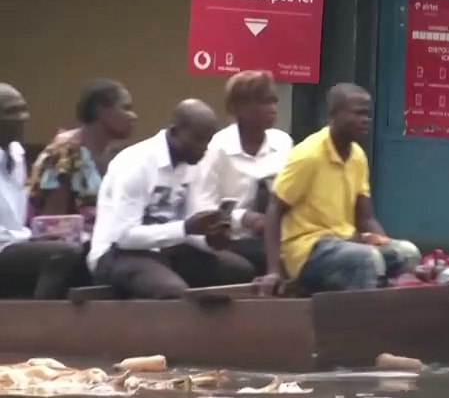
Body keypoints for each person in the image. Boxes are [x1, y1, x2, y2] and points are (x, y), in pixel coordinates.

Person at [255, 83, 421, 296]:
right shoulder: (309, 155)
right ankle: (364, 314)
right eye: (358, 114)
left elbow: (365, 218)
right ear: (334, 115)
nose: (365, 120)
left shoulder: (358, 156)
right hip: (307, 250)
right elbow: (274, 208)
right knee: (367, 258)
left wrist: (384, 243)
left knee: (407, 253)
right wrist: (273, 271)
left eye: (368, 115)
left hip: (346, 242)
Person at [89, 99, 257, 299]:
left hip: (167, 249)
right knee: (172, 291)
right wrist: (185, 228)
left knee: (240, 271)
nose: (204, 148)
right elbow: (124, 237)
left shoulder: (194, 163)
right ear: (175, 132)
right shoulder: (136, 164)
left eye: (208, 140)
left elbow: (193, 223)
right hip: (117, 254)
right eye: (198, 140)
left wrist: (210, 239)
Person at [193, 71, 293, 274]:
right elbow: (202, 207)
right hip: (236, 239)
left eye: (274, 101)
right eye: (265, 102)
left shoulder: (283, 143)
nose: (273, 109)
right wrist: (243, 218)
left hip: (279, 233)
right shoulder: (216, 149)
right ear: (240, 108)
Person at [0, 84, 84, 299]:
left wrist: (38, 234)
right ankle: (37, 315)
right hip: (5, 246)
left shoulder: (16, 153)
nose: (23, 117)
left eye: (23, 109)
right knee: (62, 254)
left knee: (84, 247)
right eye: (11, 111)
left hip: (14, 242)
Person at [27, 78, 137, 227]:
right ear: (101, 110)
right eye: (126, 108)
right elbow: (52, 222)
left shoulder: (115, 155)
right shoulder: (65, 153)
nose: (133, 116)